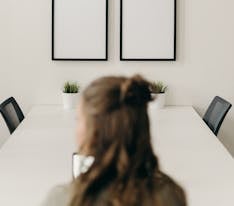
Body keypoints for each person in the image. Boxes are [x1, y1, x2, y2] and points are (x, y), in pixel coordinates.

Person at [41, 75, 187, 206]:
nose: (75, 128)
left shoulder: (64, 199)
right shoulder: (170, 195)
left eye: (78, 120)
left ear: (94, 134)